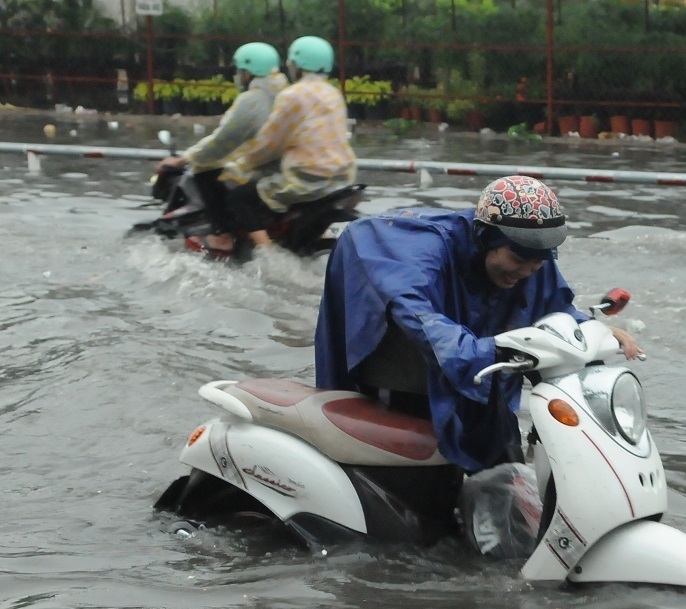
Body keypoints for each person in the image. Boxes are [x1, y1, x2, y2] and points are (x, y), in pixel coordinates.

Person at [314, 175, 642, 475]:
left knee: (507, 467)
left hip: (482, 372)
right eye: (517, 261)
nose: (527, 272)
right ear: (486, 238)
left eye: (537, 263)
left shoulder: (529, 256)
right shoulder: (422, 252)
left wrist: (590, 329)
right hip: (405, 378)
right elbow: (423, 321)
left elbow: (554, 306)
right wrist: (486, 348)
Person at [221, 35, 357, 252]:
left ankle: (270, 254)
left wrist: (241, 164)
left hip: (307, 179)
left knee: (239, 198)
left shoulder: (292, 95)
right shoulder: (334, 93)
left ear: (297, 66)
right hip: (343, 177)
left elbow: (270, 142)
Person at [154, 42, 287, 256]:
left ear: (249, 71)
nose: (238, 75)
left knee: (204, 170)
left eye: (240, 70)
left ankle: (222, 234)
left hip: (266, 172)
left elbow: (222, 141)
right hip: (286, 167)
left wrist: (184, 160)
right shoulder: (285, 93)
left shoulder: (253, 100)